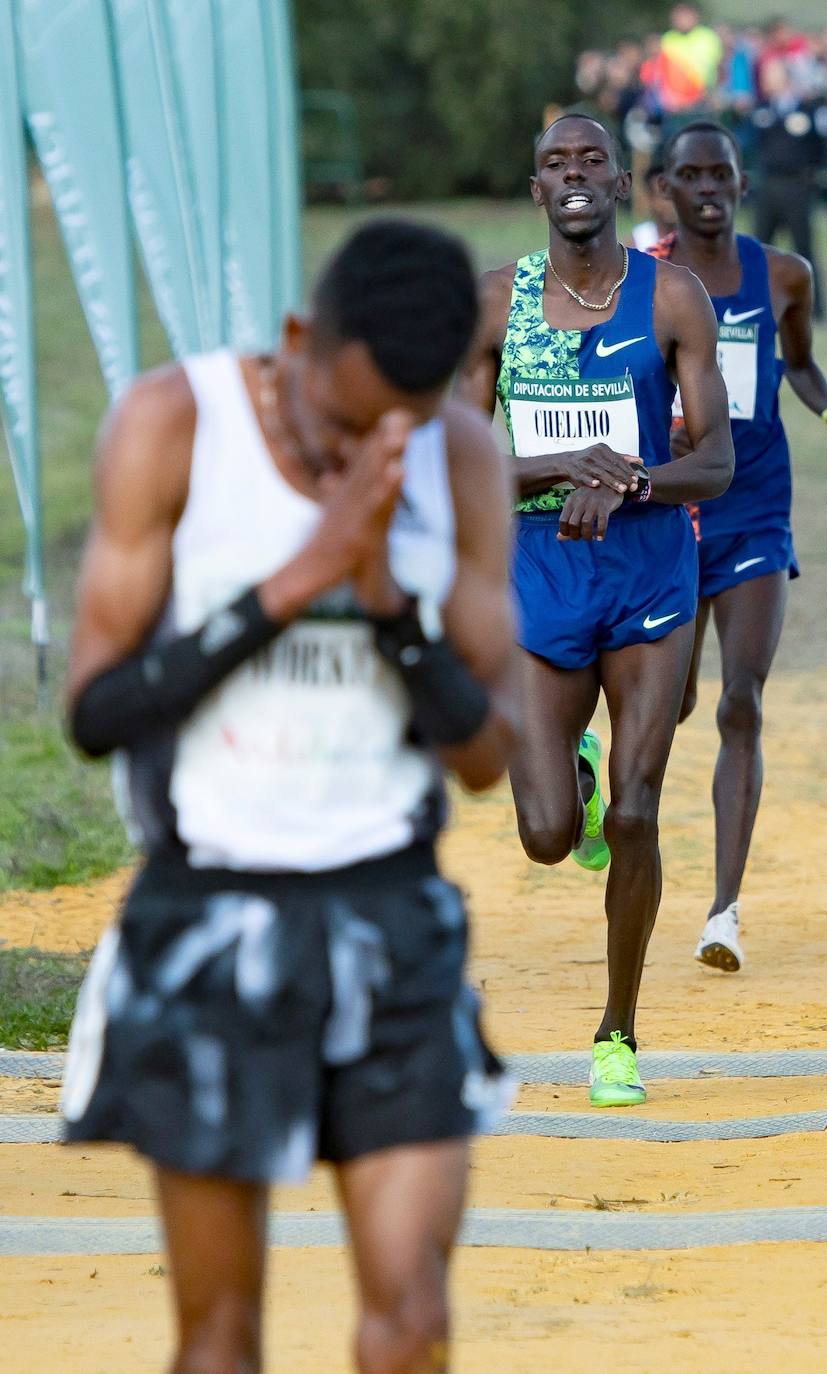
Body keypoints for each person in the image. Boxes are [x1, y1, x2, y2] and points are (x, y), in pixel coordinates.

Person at [60, 218, 519, 1374]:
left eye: (397, 429)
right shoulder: (174, 424)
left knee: (410, 1323)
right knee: (220, 1341)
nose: (366, 455)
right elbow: (96, 711)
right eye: (344, 419)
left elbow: (486, 755)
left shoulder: (458, 461)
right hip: (210, 916)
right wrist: (296, 578)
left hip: (389, 919)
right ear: (298, 340)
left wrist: (384, 607)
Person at [460, 113, 733, 1107]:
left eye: (588, 161)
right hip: (539, 572)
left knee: (634, 810)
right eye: (552, 165)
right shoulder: (498, 304)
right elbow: (455, 459)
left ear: (618, 181)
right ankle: (562, 771)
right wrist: (555, 465)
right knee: (544, 832)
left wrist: (628, 483)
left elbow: (713, 460)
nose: (571, 176)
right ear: (536, 190)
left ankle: (616, 1031)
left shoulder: (670, 298)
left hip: (648, 572)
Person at [652, 121, 827, 973]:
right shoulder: (645, 279)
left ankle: (722, 913)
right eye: (690, 175)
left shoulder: (782, 275)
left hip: (754, 510)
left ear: (741, 183)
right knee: (669, 703)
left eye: (721, 174)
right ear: (664, 190)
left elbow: (798, 365)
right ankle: (594, 767)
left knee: (738, 701)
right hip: (671, 512)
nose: (708, 187)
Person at [750, 56, 827, 319]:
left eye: (771, 75)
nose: (766, 81)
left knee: (804, 249)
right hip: (768, 186)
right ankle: (755, 306)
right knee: (758, 250)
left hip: (796, 186)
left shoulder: (808, 110)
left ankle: (815, 308)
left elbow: (822, 147)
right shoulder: (763, 110)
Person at [631, 154, 678, 250]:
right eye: (662, 196)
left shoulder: (698, 240)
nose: (669, 202)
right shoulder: (637, 242)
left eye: (673, 194)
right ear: (650, 200)